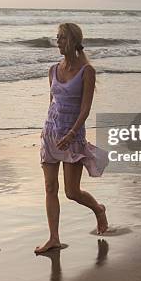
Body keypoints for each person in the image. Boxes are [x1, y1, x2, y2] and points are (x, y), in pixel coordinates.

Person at [35, 23, 109, 254]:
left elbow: (85, 109)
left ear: (73, 41)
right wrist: (47, 131)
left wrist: (71, 134)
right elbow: (52, 103)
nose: (57, 41)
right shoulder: (53, 70)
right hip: (50, 135)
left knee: (72, 192)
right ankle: (54, 238)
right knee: (49, 187)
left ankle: (98, 209)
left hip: (72, 136)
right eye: (57, 37)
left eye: (61, 38)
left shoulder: (87, 71)